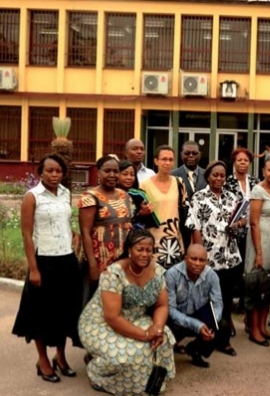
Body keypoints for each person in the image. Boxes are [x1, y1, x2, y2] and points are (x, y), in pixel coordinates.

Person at [78, 229, 176, 394]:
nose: (145, 254)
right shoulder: (113, 274)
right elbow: (112, 318)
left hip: (136, 317)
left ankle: (146, 382)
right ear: (129, 250)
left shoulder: (157, 271)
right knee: (125, 356)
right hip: (100, 323)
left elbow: (162, 305)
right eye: (140, 249)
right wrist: (145, 335)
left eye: (148, 250)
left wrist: (157, 328)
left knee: (163, 337)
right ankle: (97, 371)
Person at [12, 153, 82, 383]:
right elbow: (26, 233)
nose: (54, 175)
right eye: (49, 170)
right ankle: (42, 360)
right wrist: (33, 268)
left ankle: (60, 357)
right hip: (44, 262)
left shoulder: (65, 193)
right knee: (41, 314)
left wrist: (73, 233)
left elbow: (63, 220)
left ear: (63, 173)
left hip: (67, 260)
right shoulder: (32, 197)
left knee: (64, 312)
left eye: (58, 171)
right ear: (40, 172)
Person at [186, 160, 244, 357]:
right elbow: (194, 226)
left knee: (226, 301)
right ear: (208, 176)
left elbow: (242, 219)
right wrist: (198, 257)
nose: (219, 178)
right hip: (209, 259)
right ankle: (205, 338)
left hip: (229, 258)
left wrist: (238, 224)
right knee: (208, 301)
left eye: (222, 175)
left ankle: (224, 341)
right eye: (215, 175)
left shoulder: (231, 197)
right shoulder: (199, 197)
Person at [165, 244, 224, 368]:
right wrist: (197, 325)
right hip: (176, 319)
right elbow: (170, 309)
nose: (197, 263)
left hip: (199, 314)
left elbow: (217, 303)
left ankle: (195, 350)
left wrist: (212, 323)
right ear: (185, 258)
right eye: (193, 259)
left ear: (206, 261)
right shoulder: (172, 274)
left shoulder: (212, 276)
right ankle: (166, 354)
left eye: (202, 260)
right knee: (165, 327)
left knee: (221, 326)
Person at [245, 158, 270, 346]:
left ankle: (263, 326)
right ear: (263, 170)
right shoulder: (258, 190)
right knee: (257, 287)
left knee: (268, 287)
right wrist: (259, 252)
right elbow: (253, 222)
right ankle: (254, 330)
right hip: (260, 244)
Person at [78, 156, 133, 281]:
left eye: (116, 171)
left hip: (124, 259)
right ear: (98, 172)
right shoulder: (90, 198)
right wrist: (92, 265)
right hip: (101, 260)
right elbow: (85, 233)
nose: (112, 175)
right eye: (107, 171)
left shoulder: (124, 195)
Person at [140, 145, 188, 269]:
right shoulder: (145, 185)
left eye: (171, 160)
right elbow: (139, 214)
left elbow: (186, 212)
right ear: (156, 161)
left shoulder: (179, 183)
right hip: (153, 241)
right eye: (164, 159)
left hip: (175, 241)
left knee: (174, 282)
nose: (167, 163)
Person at [225, 148, 260, 316]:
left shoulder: (255, 182)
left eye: (246, 160)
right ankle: (231, 305)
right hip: (234, 232)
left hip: (252, 230)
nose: (243, 163)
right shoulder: (227, 181)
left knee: (249, 268)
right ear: (234, 162)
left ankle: (246, 306)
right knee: (234, 270)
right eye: (239, 160)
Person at [117, 160, 160, 229]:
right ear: (117, 175)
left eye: (132, 174)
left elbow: (151, 223)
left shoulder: (139, 195)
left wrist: (141, 214)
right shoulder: (110, 194)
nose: (129, 177)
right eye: (125, 174)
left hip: (135, 236)